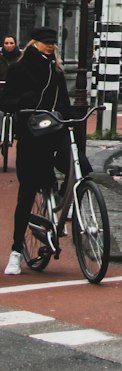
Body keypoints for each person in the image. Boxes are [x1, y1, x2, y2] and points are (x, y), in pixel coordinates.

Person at [0, 25, 71, 275]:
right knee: (27, 193)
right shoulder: (19, 69)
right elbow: (5, 100)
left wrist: (70, 121)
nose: (50, 46)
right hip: (31, 135)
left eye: (52, 42)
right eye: (45, 42)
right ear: (34, 43)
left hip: (55, 131)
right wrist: (24, 102)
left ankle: (67, 199)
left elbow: (65, 103)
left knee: (77, 162)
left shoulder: (57, 71)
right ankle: (16, 252)